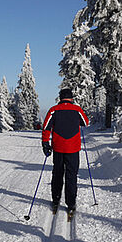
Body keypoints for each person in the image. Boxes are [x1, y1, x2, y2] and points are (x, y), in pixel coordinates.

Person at [41, 88, 89, 216]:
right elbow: (85, 122)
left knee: (57, 173)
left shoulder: (53, 110)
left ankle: (56, 200)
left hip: (58, 148)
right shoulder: (77, 110)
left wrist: (45, 143)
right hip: (73, 148)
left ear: (60, 98)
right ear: (71, 98)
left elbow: (46, 127)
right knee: (71, 175)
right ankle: (71, 203)